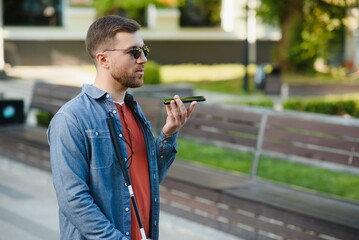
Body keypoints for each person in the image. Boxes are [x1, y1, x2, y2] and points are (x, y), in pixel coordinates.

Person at [47, 15, 196, 240]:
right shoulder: (71, 118)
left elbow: (149, 179)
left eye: (144, 50)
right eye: (133, 52)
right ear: (103, 59)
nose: (143, 59)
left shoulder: (134, 112)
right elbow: (73, 200)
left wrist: (168, 133)